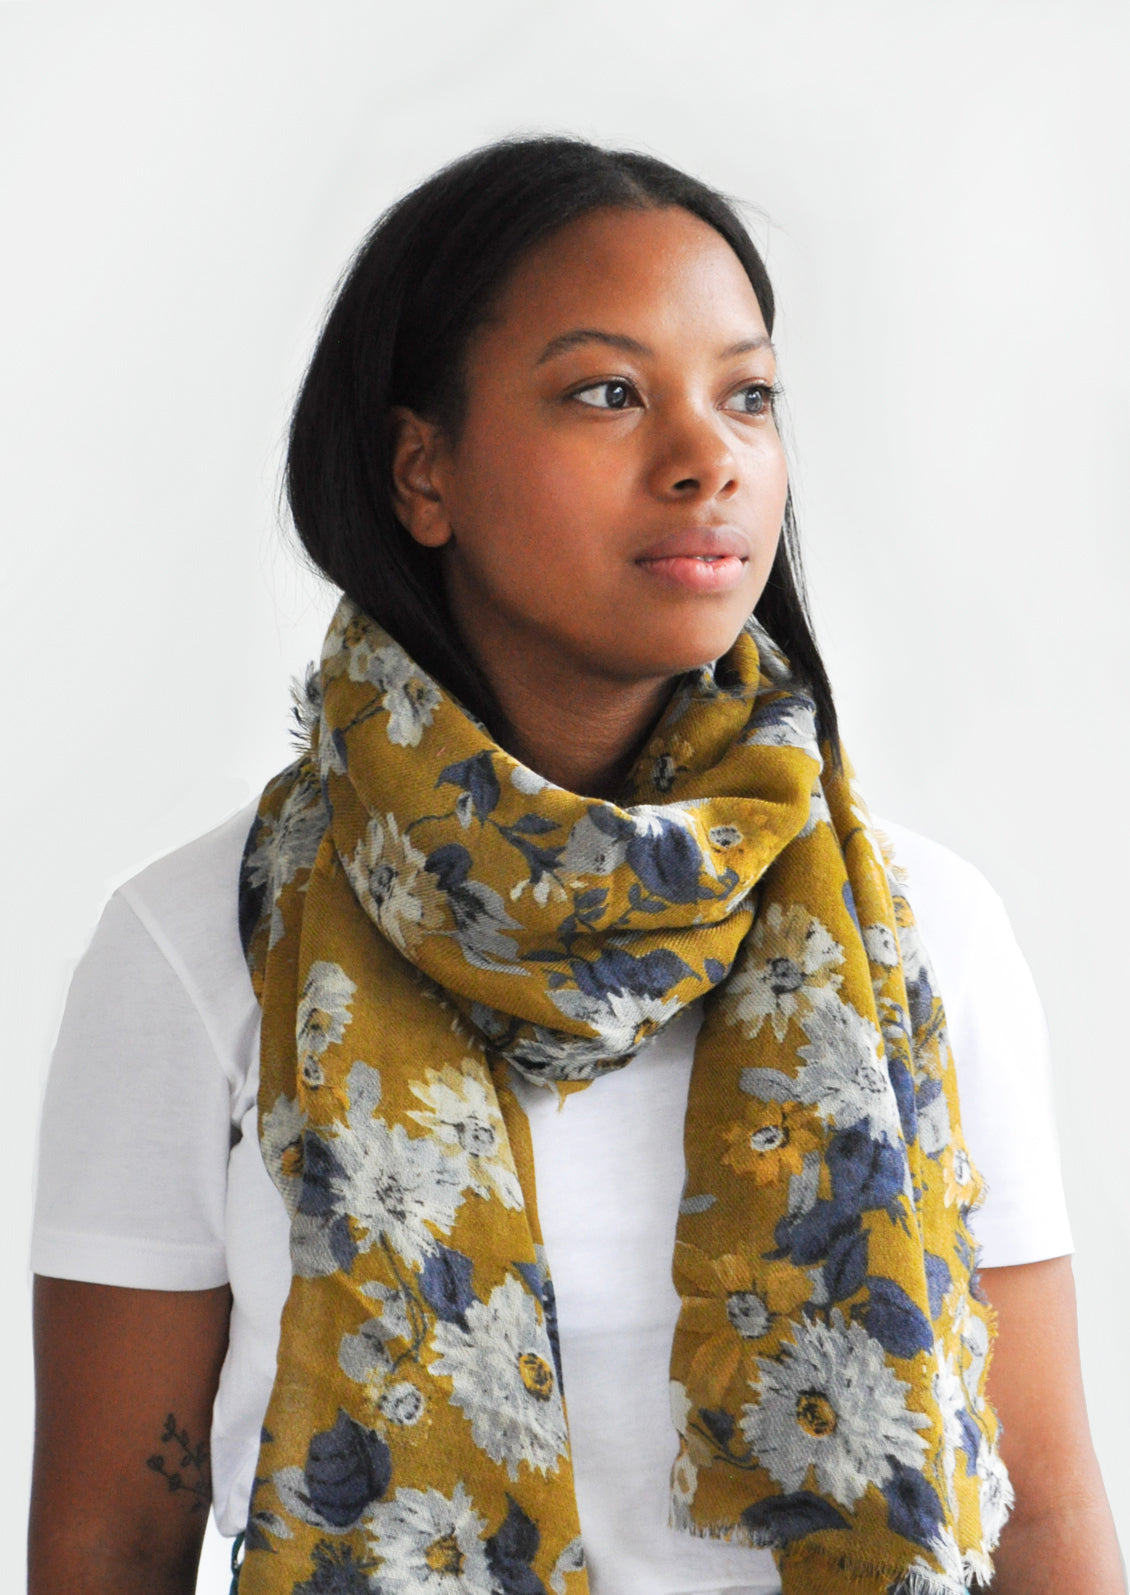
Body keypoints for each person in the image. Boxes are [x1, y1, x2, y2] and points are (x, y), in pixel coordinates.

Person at [28, 137, 1122, 1595]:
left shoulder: (925, 931)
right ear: (423, 470)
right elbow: (111, 1537)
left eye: (745, 395)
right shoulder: (198, 943)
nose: (705, 456)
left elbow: (1042, 1516)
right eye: (607, 392)